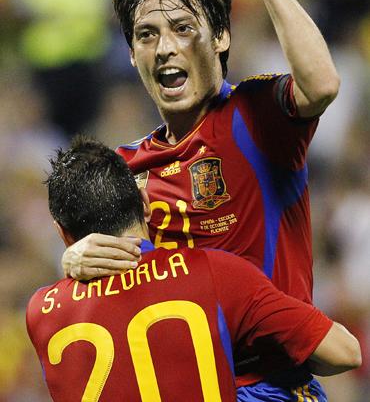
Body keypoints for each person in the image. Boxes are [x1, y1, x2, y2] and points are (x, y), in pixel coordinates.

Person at [61, 0, 341, 400]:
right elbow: (97, 290)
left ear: (221, 39)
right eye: (146, 35)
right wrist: (72, 260)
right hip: (184, 387)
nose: (166, 46)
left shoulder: (254, 119)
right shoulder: (126, 169)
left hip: (269, 386)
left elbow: (321, 84)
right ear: (131, 54)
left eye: (183, 28)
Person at [27, 137, 360, 401]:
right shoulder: (214, 273)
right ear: (145, 204)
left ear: (61, 232)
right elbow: (345, 353)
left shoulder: (40, 313)